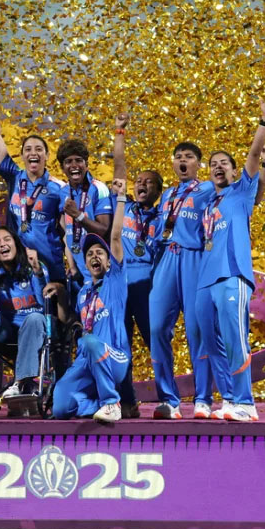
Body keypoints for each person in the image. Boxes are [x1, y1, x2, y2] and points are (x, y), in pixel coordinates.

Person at [200, 89, 265, 422]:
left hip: (234, 276)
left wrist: (264, 119)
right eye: (213, 164)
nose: (218, 167)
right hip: (209, 281)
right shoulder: (209, 205)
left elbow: (255, 153)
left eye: (224, 164)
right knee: (214, 342)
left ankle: (246, 402)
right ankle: (229, 399)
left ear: (234, 172)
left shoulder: (242, 192)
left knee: (235, 338)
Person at [0, 227, 68, 415]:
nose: (2, 244)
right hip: (6, 333)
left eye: (6, 239)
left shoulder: (34, 267)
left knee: (35, 317)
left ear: (17, 244)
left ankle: (23, 383)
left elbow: (44, 300)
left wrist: (37, 272)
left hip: (34, 331)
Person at [147, 137, 218, 420]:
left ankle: (203, 399)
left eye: (188, 156)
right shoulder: (167, 195)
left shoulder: (208, 188)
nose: (183, 161)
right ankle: (169, 400)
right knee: (156, 328)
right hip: (167, 257)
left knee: (197, 330)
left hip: (195, 258)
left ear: (199, 164)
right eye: (178, 157)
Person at [51, 179, 131, 422]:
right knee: (60, 406)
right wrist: (61, 295)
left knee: (91, 342)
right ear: (85, 263)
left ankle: (111, 403)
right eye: (89, 254)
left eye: (99, 253)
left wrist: (121, 199)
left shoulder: (115, 281)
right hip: (86, 359)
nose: (94, 256)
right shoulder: (84, 293)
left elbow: (115, 237)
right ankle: (97, 404)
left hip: (114, 357)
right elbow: (70, 320)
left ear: (108, 261)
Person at [0, 68, 68, 284]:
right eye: (28, 149)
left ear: (47, 155)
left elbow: (67, 230)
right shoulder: (14, 176)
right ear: (22, 156)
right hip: (16, 262)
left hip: (50, 261)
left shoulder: (59, 188)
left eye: (38, 149)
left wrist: (73, 265)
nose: (33, 153)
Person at [108, 113, 162, 419]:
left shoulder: (161, 217)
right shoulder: (123, 207)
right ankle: (127, 401)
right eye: (139, 181)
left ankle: (168, 398)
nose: (141, 184)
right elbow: (120, 168)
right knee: (120, 345)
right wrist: (119, 132)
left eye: (148, 182)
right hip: (119, 285)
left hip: (146, 288)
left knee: (155, 342)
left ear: (157, 191)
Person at [58, 137, 113, 295]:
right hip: (80, 271)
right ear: (62, 168)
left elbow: (104, 229)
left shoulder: (98, 188)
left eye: (79, 160)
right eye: (68, 161)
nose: (74, 165)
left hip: (101, 271)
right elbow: (66, 232)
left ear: (86, 164)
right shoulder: (63, 192)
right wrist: (72, 265)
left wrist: (78, 215)